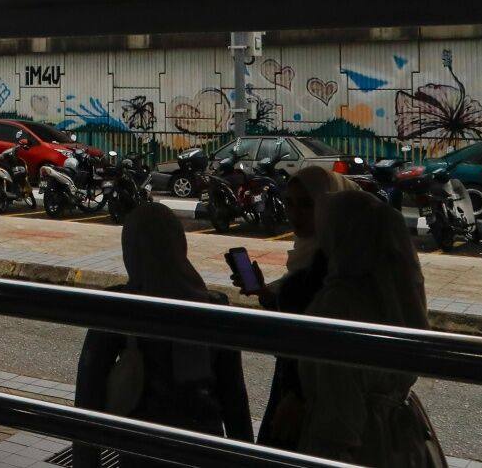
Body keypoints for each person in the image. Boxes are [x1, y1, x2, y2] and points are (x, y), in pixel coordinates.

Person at [72, 202, 251, 466]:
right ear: (179, 244)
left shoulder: (119, 308)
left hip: (142, 449)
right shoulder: (213, 307)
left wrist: (85, 462)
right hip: (204, 446)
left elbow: (88, 393)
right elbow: (233, 396)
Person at [297, 190, 448, 467]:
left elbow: (338, 416)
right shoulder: (399, 292)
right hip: (404, 441)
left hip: (363, 445)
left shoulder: (339, 304)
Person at [239, 163, 349, 447]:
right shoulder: (309, 253)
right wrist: (266, 293)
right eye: (289, 203)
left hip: (316, 392)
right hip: (292, 382)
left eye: (306, 205)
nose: (294, 214)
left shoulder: (337, 264)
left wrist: (298, 394)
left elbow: (318, 328)